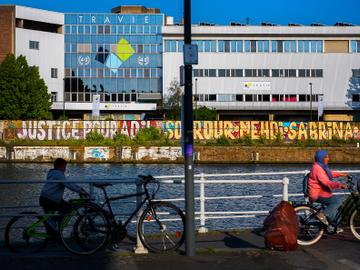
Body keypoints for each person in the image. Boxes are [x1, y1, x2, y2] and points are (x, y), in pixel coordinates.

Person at [39, 158, 88, 228]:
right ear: (60, 166)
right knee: (68, 208)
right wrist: (81, 190)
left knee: (50, 218)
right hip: (51, 199)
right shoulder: (59, 174)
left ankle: (52, 234)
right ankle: (58, 221)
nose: (65, 169)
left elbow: (68, 183)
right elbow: (68, 184)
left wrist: (79, 189)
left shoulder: (51, 173)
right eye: (64, 167)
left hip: (44, 197)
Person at [308, 150, 348, 226]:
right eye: (326, 157)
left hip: (322, 193)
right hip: (317, 194)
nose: (328, 159)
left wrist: (342, 174)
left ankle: (332, 225)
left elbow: (330, 173)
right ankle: (322, 215)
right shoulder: (318, 169)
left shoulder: (320, 166)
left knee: (334, 204)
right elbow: (326, 182)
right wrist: (340, 185)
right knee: (337, 201)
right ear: (321, 158)